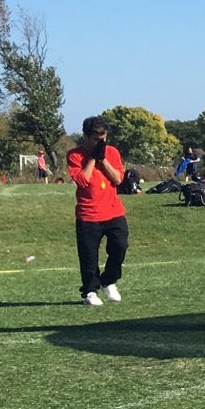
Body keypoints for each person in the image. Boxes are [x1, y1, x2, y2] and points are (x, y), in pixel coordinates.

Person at [65, 116, 128, 306]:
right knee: (88, 256)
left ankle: (108, 281)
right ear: (85, 136)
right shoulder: (75, 155)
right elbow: (82, 181)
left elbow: (117, 180)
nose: (100, 142)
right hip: (88, 214)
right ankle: (90, 291)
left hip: (113, 211)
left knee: (120, 246)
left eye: (103, 138)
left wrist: (104, 159)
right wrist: (92, 158)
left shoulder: (112, 152)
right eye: (95, 138)